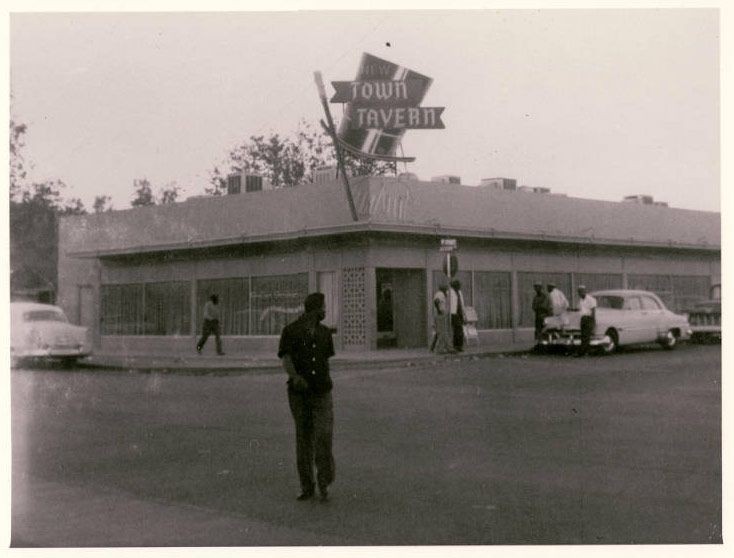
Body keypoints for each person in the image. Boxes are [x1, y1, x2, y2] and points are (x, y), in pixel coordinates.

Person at [278, 292, 336, 502]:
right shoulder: (291, 331)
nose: (325, 311)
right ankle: (307, 485)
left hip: (322, 392)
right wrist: (295, 377)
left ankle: (324, 480)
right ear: (314, 310)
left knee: (323, 436)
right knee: (304, 439)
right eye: (323, 307)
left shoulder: (324, 333)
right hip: (299, 394)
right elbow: (286, 358)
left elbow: (326, 361)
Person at [430, 284, 453, 354]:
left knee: (439, 332)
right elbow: (436, 302)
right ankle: (440, 349)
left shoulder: (439, 294)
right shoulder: (440, 294)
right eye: (445, 289)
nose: (446, 291)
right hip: (440, 314)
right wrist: (440, 311)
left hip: (439, 313)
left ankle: (433, 347)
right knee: (442, 332)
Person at [576, 285, 597, 356]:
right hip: (583, 318)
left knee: (586, 336)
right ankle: (586, 351)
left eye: (581, 291)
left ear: (585, 291)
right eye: (579, 292)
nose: (580, 293)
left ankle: (582, 352)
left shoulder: (591, 299)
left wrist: (593, 321)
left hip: (588, 318)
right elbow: (580, 309)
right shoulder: (580, 300)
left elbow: (593, 311)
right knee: (583, 335)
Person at [449, 279, 467, 352]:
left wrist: (464, 314)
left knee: (459, 330)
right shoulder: (450, 292)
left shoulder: (459, 292)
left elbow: (462, 303)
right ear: (455, 286)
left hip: (459, 313)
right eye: (458, 285)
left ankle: (459, 346)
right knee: (458, 329)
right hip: (453, 313)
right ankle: (456, 346)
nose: (460, 286)